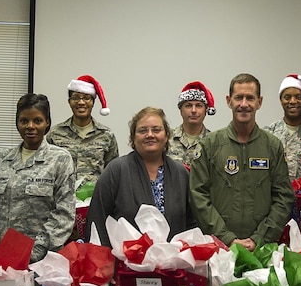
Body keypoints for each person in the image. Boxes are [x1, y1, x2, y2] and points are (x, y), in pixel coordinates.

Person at [189, 73, 293, 251]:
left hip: (262, 248)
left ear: (259, 102)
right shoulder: (210, 145)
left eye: (250, 98)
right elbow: (198, 195)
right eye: (238, 98)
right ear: (229, 101)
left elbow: (283, 197)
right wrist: (226, 238)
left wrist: (259, 238)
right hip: (219, 248)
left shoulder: (272, 146)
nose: (244, 104)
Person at [0, 94, 76, 263]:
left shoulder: (60, 159)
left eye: (37, 121)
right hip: (1, 258)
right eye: (24, 121)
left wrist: (35, 251)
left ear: (47, 122)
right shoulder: (1, 160)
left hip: (43, 260)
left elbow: (64, 214)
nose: (30, 126)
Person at [88, 107, 194, 246]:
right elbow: (97, 220)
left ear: (167, 135)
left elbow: (192, 224)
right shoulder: (116, 170)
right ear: (133, 137)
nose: (150, 135)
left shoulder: (180, 173)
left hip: (175, 263)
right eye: (143, 130)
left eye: (156, 130)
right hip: (125, 264)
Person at [45, 74, 119, 186]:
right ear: (69, 101)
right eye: (75, 98)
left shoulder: (106, 135)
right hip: (62, 199)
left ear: (93, 102)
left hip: (95, 200)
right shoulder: (55, 133)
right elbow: (46, 169)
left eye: (86, 98)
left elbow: (113, 173)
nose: (81, 102)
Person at [265, 74, 301, 179]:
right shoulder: (268, 134)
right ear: (280, 100)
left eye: (298, 97)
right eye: (287, 97)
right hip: (277, 194)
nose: (292, 101)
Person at [166, 81, 215, 166]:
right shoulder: (166, 138)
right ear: (181, 110)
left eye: (199, 106)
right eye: (188, 105)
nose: (193, 110)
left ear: (206, 111)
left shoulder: (213, 142)